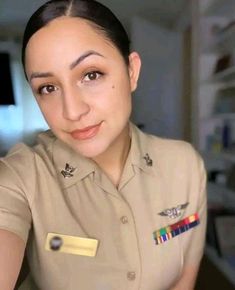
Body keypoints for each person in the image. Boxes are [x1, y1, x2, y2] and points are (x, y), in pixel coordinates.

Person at [0, 0, 207, 289]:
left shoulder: (185, 165)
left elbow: (185, 276)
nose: (72, 111)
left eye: (91, 74)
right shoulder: (23, 175)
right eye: (48, 88)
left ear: (131, 71)